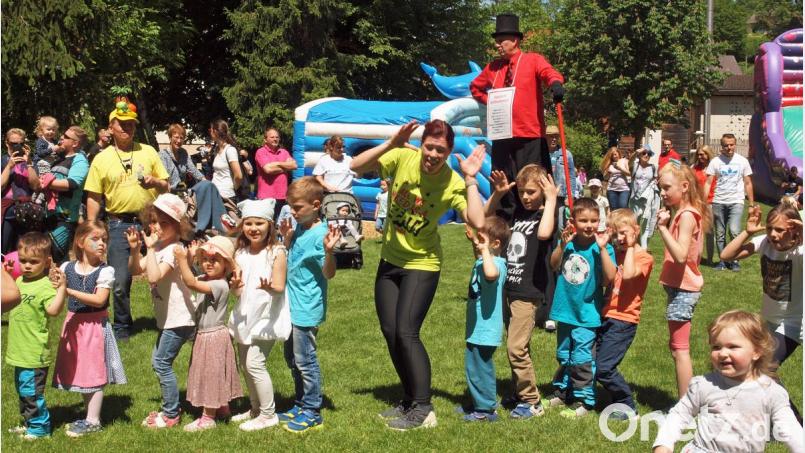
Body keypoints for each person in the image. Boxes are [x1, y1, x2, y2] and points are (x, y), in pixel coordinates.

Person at [350, 119, 486, 430]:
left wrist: (470, 179)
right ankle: (410, 399)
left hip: (422, 264)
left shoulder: (452, 182)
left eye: (441, 150)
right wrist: (391, 143)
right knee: (390, 331)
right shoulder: (403, 157)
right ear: (421, 145)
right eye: (429, 147)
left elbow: (478, 221)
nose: (433, 154)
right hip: (390, 260)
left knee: (407, 333)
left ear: (449, 152)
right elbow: (356, 167)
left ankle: (424, 408)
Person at [653, 310, 804, 453]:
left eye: (733, 347)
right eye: (716, 347)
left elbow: (790, 428)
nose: (723, 353)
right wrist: (664, 443)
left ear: (757, 352)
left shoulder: (770, 391)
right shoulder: (704, 385)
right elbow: (679, 414)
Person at [84, 98, 169, 341]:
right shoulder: (101, 159)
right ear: (111, 127)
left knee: (166, 272)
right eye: (121, 124)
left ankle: (171, 321)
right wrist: (91, 227)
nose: (127, 127)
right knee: (120, 280)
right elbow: (94, 196)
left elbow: (166, 186)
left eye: (131, 123)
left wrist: (155, 182)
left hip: (151, 222)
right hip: (118, 223)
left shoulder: (148, 151)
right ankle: (122, 325)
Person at [470, 13, 564, 218]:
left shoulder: (533, 60)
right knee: (503, 182)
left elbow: (549, 72)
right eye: (496, 41)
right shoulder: (492, 68)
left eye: (501, 41)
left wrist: (555, 84)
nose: (497, 45)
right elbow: (475, 88)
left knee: (532, 183)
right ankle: (504, 226)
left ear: (514, 40)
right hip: (502, 136)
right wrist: (492, 102)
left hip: (530, 137)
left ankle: (536, 223)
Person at [484, 165, 557, 418]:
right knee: (517, 345)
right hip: (509, 289)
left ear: (543, 191)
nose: (525, 197)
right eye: (522, 191)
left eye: (532, 192)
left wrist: (551, 200)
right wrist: (498, 194)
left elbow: (545, 234)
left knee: (516, 347)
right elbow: (484, 218)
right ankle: (519, 391)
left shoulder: (545, 215)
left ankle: (531, 401)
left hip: (528, 291)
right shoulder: (516, 214)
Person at [276, 177, 340, 433]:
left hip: (306, 307)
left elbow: (329, 274)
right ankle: (301, 402)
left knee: (305, 360)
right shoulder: (300, 228)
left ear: (315, 205)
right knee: (292, 358)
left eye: (297, 207)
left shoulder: (320, 235)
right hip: (291, 306)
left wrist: (329, 252)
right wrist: (287, 239)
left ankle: (312, 411)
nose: (292, 211)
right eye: (290, 206)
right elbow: (292, 260)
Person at [52, 221, 127, 437]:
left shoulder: (106, 271)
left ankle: (93, 421)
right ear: (80, 241)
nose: (101, 243)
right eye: (95, 239)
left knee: (94, 372)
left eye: (104, 239)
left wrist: (68, 291)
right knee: (82, 371)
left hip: (94, 326)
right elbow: (54, 292)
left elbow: (99, 299)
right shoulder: (66, 268)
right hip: (74, 325)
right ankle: (88, 415)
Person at [127, 194, 195, 429]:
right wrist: (135, 251)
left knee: (161, 363)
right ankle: (190, 405)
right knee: (163, 362)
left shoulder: (174, 249)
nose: (157, 227)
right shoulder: (158, 248)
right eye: (154, 221)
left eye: (165, 223)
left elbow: (154, 276)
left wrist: (149, 249)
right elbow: (136, 270)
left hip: (180, 317)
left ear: (179, 226)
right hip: (169, 318)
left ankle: (171, 414)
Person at [547, 198, 616, 419]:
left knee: (582, 357)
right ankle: (563, 391)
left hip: (587, 313)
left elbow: (610, 277)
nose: (589, 225)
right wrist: (561, 245)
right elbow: (554, 264)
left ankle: (585, 399)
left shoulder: (602, 247)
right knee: (564, 354)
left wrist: (602, 249)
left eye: (594, 220)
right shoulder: (568, 243)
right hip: (565, 310)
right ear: (573, 221)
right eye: (583, 220)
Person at [720, 205, 803, 380]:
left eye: (779, 230)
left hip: (792, 323)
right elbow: (726, 255)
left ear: (794, 230)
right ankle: (777, 398)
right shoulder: (764, 242)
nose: (773, 234)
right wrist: (747, 232)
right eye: (769, 228)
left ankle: (780, 400)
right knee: (757, 371)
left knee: (762, 369)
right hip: (768, 319)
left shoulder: (800, 251)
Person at [228, 198, 287, 432]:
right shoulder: (240, 253)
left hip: (266, 316)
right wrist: (234, 286)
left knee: (255, 363)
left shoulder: (276, 252)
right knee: (245, 364)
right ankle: (255, 408)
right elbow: (237, 290)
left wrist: (269, 287)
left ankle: (268, 414)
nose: (253, 228)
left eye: (259, 223)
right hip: (245, 313)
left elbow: (279, 287)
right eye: (248, 223)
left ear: (270, 225)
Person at [174, 236, 242, 432]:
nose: (208, 263)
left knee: (211, 374)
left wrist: (181, 259)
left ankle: (208, 417)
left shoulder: (219, 284)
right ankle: (222, 408)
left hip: (213, 337)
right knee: (213, 371)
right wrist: (189, 259)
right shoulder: (206, 279)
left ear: (226, 264)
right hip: (206, 335)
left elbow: (190, 283)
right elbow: (187, 278)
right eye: (204, 259)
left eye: (214, 260)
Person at [5, 232, 68, 439]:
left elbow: (53, 311)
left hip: (34, 352)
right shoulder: (19, 281)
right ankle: (29, 422)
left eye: (33, 261)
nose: (27, 266)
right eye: (23, 260)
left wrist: (62, 289)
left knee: (31, 392)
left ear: (47, 262)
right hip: (19, 350)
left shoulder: (45, 286)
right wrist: (7, 275)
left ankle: (40, 428)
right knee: (23, 390)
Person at [656, 164, 710, 399]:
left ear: (685, 186)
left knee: (680, 350)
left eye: (667, 187)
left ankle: (685, 407)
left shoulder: (687, 215)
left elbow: (680, 256)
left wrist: (662, 228)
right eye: (661, 188)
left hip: (684, 289)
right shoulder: (684, 212)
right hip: (679, 288)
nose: (663, 193)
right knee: (676, 348)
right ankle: (685, 404)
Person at [595, 208, 653, 421]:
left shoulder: (644, 257)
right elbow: (606, 280)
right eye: (615, 233)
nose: (619, 238)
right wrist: (604, 248)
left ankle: (628, 406)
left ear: (635, 231)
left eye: (624, 233)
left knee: (604, 368)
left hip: (624, 320)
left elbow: (628, 274)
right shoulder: (614, 253)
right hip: (605, 315)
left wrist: (629, 247)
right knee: (593, 363)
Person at [460, 216, 510, 422]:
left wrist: (483, 250)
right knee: (474, 365)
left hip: (486, 327)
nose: (478, 244)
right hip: (478, 327)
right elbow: (481, 263)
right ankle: (480, 401)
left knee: (480, 367)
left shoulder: (497, 264)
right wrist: (476, 244)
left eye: (483, 240)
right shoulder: (486, 260)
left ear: (495, 244)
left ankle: (486, 409)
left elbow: (490, 274)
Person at [704, 133, 754, 272]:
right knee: (720, 234)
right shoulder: (715, 162)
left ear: (735, 144)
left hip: (736, 201)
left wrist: (751, 204)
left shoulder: (742, 161)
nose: (729, 147)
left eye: (731, 145)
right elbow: (708, 183)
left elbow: (748, 183)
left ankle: (735, 260)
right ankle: (723, 261)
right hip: (718, 201)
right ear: (722, 146)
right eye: (726, 145)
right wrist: (703, 201)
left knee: (734, 231)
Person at [42, 126, 90, 263]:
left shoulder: (80, 160)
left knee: (58, 257)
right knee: (46, 256)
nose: (61, 137)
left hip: (65, 217)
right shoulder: (59, 158)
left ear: (75, 143)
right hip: (50, 214)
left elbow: (72, 183)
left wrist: (46, 183)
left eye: (66, 136)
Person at [2, 128, 42, 254]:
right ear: (6, 143)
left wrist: (29, 164)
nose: (17, 147)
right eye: (14, 143)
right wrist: (9, 166)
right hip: (5, 213)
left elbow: (36, 186)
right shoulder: (2, 161)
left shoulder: (30, 162)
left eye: (21, 143)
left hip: (26, 213)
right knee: (4, 250)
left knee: (24, 252)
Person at [255, 127, 296, 216]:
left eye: (277, 137)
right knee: (267, 222)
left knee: (280, 222)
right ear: (265, 140)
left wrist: (277, 163)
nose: (275, 139)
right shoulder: (261, 152)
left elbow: (294, 165)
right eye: (272, 137)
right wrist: (286, 166)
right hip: (266, 196)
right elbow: (268, 170)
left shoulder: (284, 152)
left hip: (282, 196)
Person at [627, 148, 660, 249]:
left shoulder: (653, 167)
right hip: (635, 199)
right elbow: (629, 162)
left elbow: (655, 179)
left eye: (648, 154)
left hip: (647, 199)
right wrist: (636, 152)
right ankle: (635, 245)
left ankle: (644, 248)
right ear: (639, 155)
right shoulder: (635, 165)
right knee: (635, 224)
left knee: (646, 223)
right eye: (644, 153)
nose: (646, 155)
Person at [159, 123, 204, 192]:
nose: (179, 141)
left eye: (181, 138)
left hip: (181, 191)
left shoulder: (184, 153)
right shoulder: (163, 155)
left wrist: (205, 180)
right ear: (170, 138)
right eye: (176, 137)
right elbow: (163, 179)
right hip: (168, 192)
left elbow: (193, 170)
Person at [548, 125, 577, 229]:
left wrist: (570, 196)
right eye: (551, 136)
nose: (554, 139)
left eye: (556, 136)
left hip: (560, 195)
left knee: (561, 226)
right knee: (547, 223)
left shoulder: (566, 154)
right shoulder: (540, 154)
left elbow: (571, 176)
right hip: (545, 195)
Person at [209, 119, 243, 205]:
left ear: (215, 131)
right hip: (215, 194)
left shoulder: (230, 150)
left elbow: (238, 176)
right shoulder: (216, 150)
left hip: (227, 196)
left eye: (211, 130)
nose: (210, 132)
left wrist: (232, 188)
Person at [692, 145, 717, 265]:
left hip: (710, 202)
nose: (700, 156)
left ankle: (710, 259)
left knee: (709, 232)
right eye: (698, 154)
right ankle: (696, 257)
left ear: (708, 154)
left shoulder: (714, 168)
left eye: (702, 154)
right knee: (697, 231)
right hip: (697, 202)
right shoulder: (694, 168)